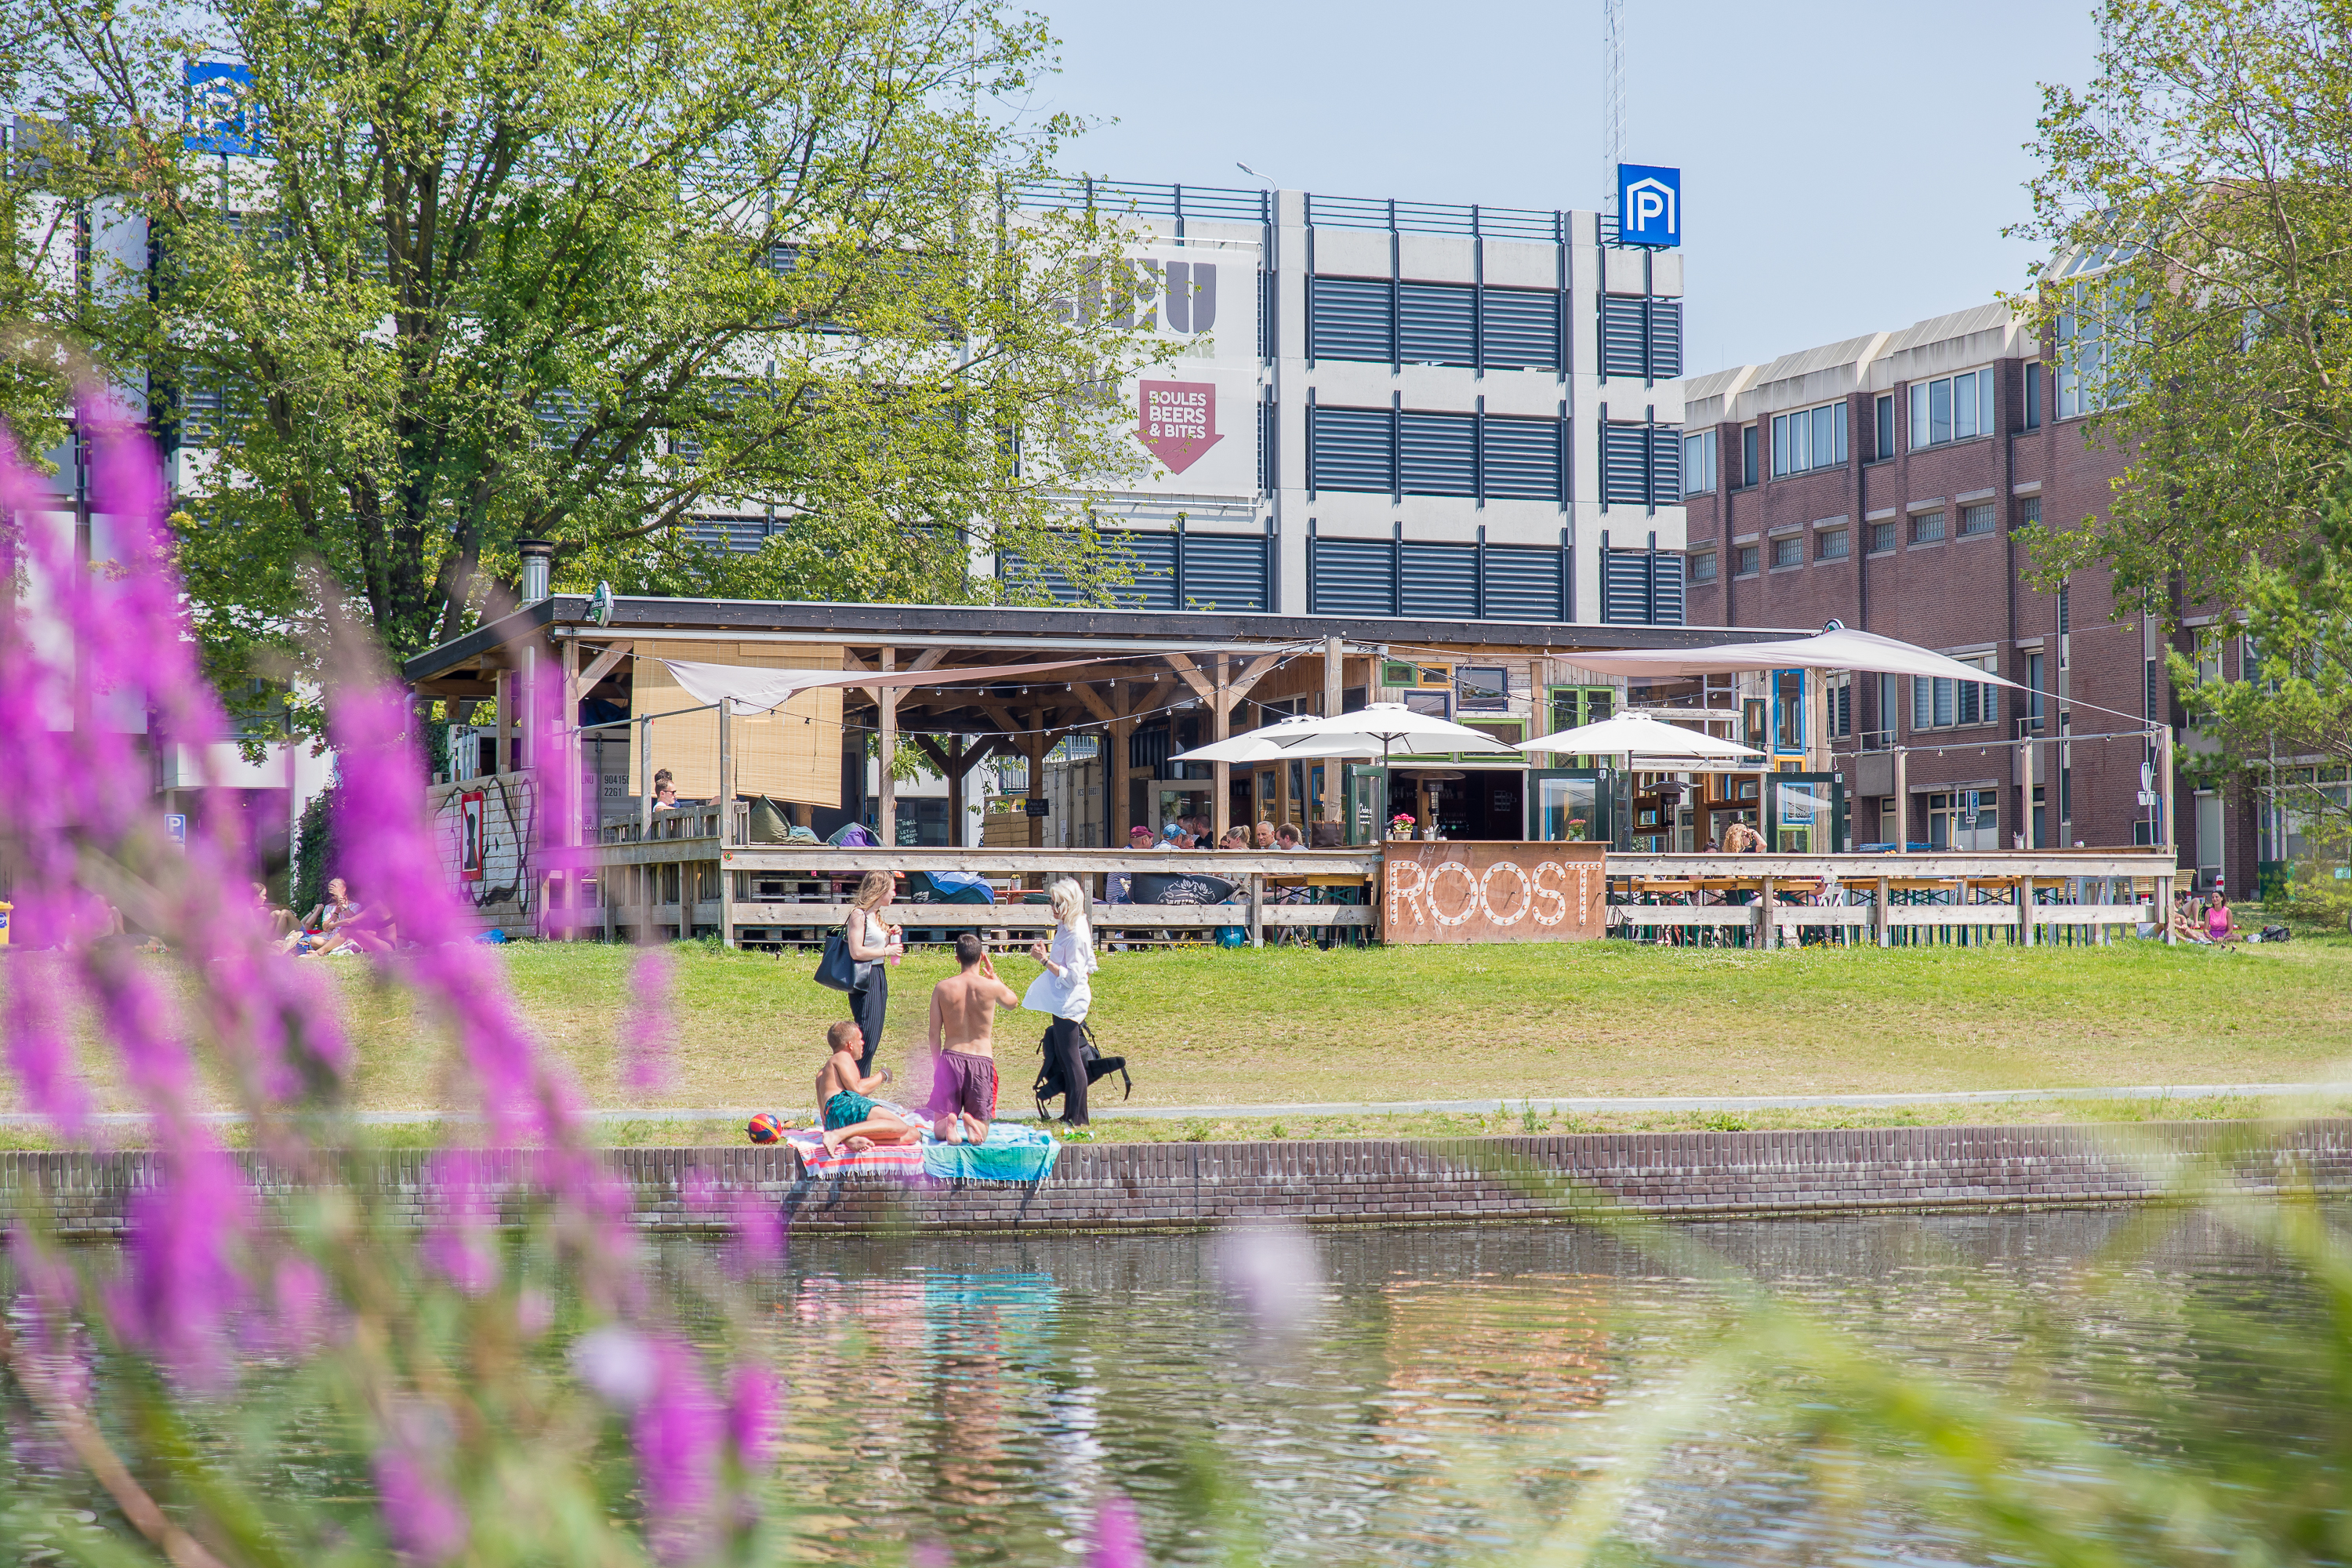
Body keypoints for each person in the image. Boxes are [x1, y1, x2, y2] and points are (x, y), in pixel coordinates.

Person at [927, 935, 1019, 1144]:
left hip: (951, 1059)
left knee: (938, 1132)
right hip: (981, 1061)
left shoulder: (942, 988)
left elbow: (934, 1033)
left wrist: (937, 1066)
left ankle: (950, 1122)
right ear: (981, 957)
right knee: (981, 1136)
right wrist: (995, 978)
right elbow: (1013, 1003)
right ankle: (972, 1124)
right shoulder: (991, 987)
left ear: (957, 958)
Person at [1025, 878, 1099, 1127]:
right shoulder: (1070, 923)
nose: (1052, 908)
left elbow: (1073, 977)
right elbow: (1089, 963)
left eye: (1056, 904)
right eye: (1051, 902)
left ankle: (1079, 1118)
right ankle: (1070, 1114)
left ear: (1067, 904)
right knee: (1066, 1060)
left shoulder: (1076, 933)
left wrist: (1044, 961)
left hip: (1070, 1002)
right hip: (1060, 1001)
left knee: (1072, 1060)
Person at [815, 1020, 915, 1155]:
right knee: (900, 1126)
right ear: (850, 1045)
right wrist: (883, 1075)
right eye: (860, 1039)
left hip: (832, 1120)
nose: (862, 1043)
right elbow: (858, 1088)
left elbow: (824, 1117)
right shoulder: (841, 1056)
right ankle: (840, 1134)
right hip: (843, 1103)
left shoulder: (822, 1075)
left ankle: (849, 1138)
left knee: (912, 1134)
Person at [842, 870, 902, 1075]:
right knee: (867, 1036)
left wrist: (891, 934)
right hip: (865, 977)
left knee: (872, 1037)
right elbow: (856, 951)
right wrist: (887, 951)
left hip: (878, 975)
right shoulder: (858, 915)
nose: (895, 893)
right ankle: (853, 1085)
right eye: (892, 889)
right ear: (880, 889)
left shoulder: (875, 916)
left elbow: (873, 943)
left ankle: (859, 1087)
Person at [281, 877, 362, 953]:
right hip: (330, 939)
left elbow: (353, 920)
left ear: (344, 889)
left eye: (334, 886)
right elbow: (326, 928)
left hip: (346, 939)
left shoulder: (355, 906)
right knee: (314, 940)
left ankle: (334, 948)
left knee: (315, 941)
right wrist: (336, 914)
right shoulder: (329, 907)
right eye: (330, 887)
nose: (331, 889)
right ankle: (334, 947)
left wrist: (342, 903)